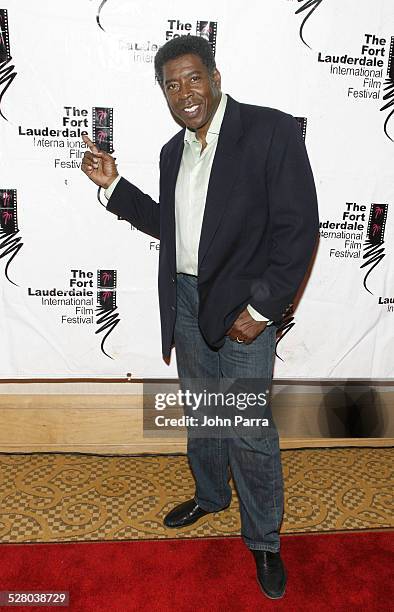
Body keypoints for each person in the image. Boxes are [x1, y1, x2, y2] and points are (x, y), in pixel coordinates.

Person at [81, 35, 319, 600]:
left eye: (192, 78)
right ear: (163, 92)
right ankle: (211, 495)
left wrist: (262, 310)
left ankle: (264, 541)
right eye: (171, 84)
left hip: (245, 309)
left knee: (247, 428)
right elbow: (175, 227)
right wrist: (113, 186)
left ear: (215, 75)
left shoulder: (270, 131)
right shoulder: (172, 152)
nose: (184, 92)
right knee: (204, 412)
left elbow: (298, 228)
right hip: (186, 301)